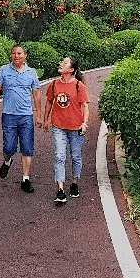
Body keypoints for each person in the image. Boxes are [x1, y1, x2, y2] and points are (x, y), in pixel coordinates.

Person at [0, 45, 42, 193]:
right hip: (9, 116)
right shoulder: (3, 71)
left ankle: (25, 179)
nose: (16, 56)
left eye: (19, 53)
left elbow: (37, 94)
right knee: (9, 147)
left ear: (25, 55)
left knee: (27, 148)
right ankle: (7, 161)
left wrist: (39, 115)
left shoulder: (31, 73)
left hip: (26, 116)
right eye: (13, 53)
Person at [41, 56, 90, 204]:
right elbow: (49, 102)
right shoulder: (54, 84)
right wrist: (46, 119)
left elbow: (85, 106)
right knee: (60, 156)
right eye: (61, 62)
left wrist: (85, 124)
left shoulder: (79, 86)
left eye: (65, 63)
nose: (61, 64)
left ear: (72, 69)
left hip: (76, 127)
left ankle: (74, 183)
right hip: (59, 127)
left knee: (76, 157)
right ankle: (61, 189)